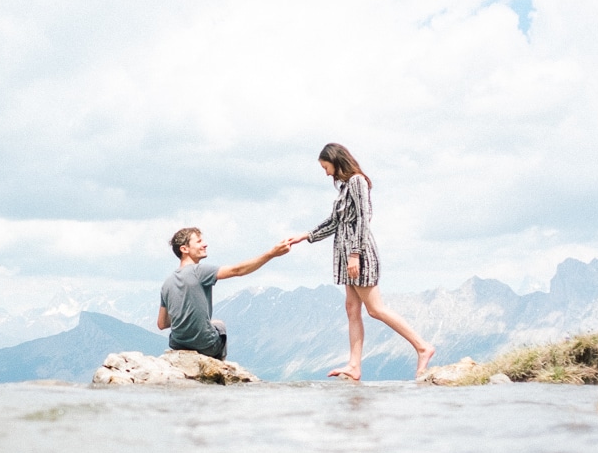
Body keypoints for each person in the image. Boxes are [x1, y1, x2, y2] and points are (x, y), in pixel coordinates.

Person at [287, 143, 436, 380]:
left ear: (336, 161)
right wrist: (305, 235)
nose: (326, 173)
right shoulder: (345, 187)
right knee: (352, 308)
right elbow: (335, 222)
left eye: (326, 167)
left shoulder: (357, 181)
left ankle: (422, 346)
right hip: (347, 256)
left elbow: (365, 218)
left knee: (375, 309)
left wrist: (355, 254)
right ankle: (354, 365)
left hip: (359, 254)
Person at [158, 227, 291, 360]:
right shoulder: (198, 271)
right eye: (199, 242)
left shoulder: (167, 284)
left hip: (177, 344)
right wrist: (271, 254)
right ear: (184, 249)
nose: (205, 244)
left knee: (212, 323)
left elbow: (162, 324)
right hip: (206, 345)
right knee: (219, 325)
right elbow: (237, 270)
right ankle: (220, 367)